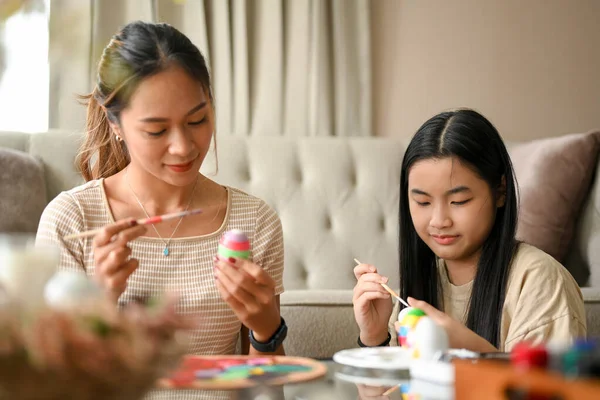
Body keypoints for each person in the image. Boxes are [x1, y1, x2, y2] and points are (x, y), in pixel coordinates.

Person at [36, 21, 287, 362]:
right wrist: (99, 307)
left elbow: (267, 393)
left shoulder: (254, 222)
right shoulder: (71, 220)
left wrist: (267, 331)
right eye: (156, 130)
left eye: (197, 121)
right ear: (116, 125)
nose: (183, 148)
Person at [353, 109, 586, 353]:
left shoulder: (540, 282)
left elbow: (550, 389)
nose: (439, 220)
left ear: (500, 191)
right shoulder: (420, 284)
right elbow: (393, 390)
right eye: (423, 202)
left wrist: (473, 352)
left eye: (459, 201)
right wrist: (374, 336)